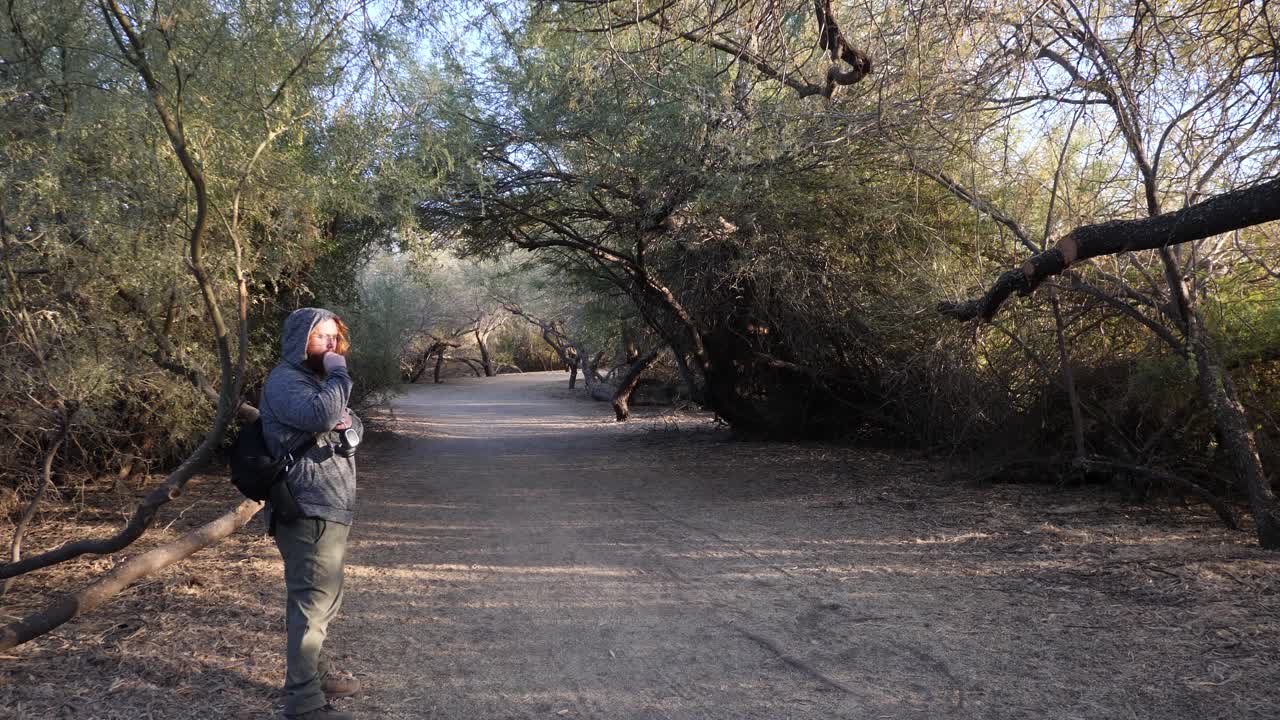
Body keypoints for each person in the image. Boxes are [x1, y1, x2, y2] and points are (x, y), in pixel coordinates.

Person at [260, 308, 364, 720]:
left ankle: (314, 676)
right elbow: (323, 415)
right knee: (312, 602)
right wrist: (340, 375)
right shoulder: (286, 380)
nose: (330, 345)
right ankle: (304, 703)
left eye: (334, 338)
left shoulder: (314, 382)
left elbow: (351, 422)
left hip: (329, 505)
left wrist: (346, 417)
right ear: (299, 341)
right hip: (307, 506)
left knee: (320, 602)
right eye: (320, 337)